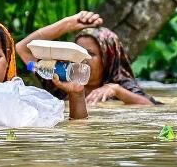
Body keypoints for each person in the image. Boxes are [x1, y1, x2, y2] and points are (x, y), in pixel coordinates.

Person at [16, 13, 158, 106]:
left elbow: (150, 107)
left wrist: (116, 90)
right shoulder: (61, 81)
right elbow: (22, 48)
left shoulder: (121, 86)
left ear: (108, 59)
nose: (82, 58)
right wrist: (67, 24)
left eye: (90, 53)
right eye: (78, 51)